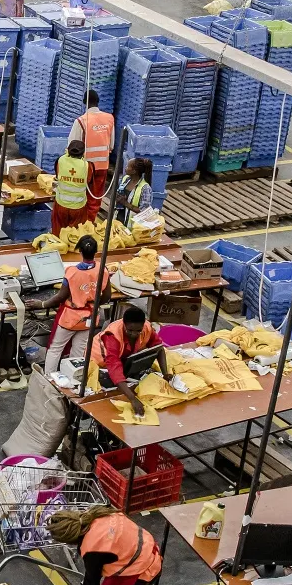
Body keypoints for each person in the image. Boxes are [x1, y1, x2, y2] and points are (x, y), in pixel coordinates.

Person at [61, 504, 164, 585]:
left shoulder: (93, 549)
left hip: (143, 569)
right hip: (143, 549)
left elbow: (92, 582)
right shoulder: (98, 514)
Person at [97, 305, 171, 419]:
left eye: (138, 331)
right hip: (99, 363)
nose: (134, 334)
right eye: (130, 330)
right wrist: (132, 399)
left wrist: (165, 373)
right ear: (124, 324)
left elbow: (159, 348)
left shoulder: (147, 327)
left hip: (121, 360)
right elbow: (114, 368)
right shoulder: (113, 337)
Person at [44, 234, 105, 374]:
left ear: (80, 251)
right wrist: (92, 302)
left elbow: (60, 297)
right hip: (90, 317)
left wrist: (41, 304)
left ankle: (49, 378)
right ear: (96, 251)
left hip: (70, 317)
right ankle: (72, 378)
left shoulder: (72, 272)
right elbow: (106, 296)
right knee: (79, 349)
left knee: (55, 349)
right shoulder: (103, 270)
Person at [69, 90, 114, 200]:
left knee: (81, 197)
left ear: (85, 102)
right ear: (98, 101)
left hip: (85, 166)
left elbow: (72, 146)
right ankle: (91, 217)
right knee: (96, 198)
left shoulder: (81, 121)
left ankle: (83, 217)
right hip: (103, 166)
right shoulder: (109, 118)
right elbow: (111, 145)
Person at [51, 138, 98, 237]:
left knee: (57, 234)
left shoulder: (60, 160)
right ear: (83, 153)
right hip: (78, 208)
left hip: (60, 205)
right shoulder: (88, 166)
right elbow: (90, 184)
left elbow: (57, 175)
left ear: (67, 150)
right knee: (75, 237)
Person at [112, 156, 154, 221]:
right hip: (118, 218)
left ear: (134, 171)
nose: (125, 168)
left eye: (128, 166)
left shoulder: (145, 188)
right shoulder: (125, 179)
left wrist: (125, 203)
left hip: (132, 224)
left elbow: (144, 211)